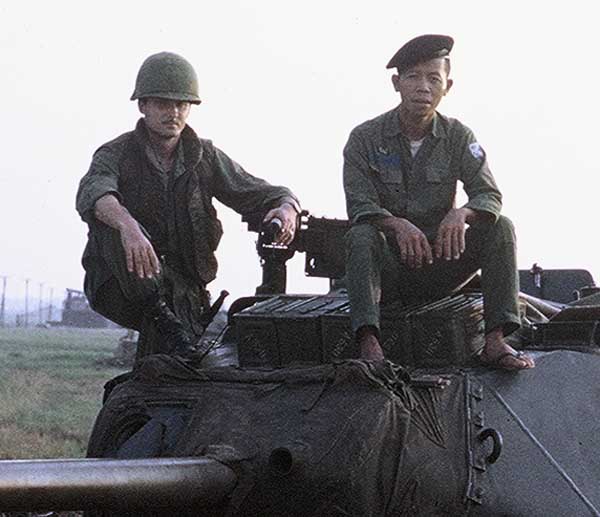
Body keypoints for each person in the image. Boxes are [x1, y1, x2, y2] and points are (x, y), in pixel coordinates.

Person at [76, 52, 300, 358]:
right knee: (113, 220)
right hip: (123, 287)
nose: (174, 112)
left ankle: (168, 331)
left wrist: (286, 206)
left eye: (182, 104)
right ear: (143, 106)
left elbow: (256, 191)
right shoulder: (116, 153)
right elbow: (94, 192)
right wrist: (128, 227)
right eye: (164, 104)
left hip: (184, 292)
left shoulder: (203, 156)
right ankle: (161, 318)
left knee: (174, 367)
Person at [343, 35, 534, 370]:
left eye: (434, 78)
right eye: (413, 77)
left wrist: (462, 213)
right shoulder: (365, 138)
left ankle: (495, 341)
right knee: (360, 236)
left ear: (448, 86)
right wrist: (397, 225)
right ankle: (369, 342)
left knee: (500, 227)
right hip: (390, 269)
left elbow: (489, 194)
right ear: (396, 83)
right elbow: (360, 205)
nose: (423, 87)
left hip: (442, 262)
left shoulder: (459, 136)